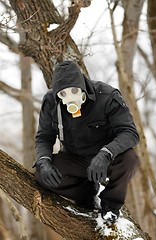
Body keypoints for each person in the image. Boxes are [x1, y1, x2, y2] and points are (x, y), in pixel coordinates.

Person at [34, 60, 140, 225]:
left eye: (74, 91)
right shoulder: (50, 101)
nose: (69, 98)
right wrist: (43, 161)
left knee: (130, 159)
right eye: (63, 94)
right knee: (42, 174)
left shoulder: (108, 96)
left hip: (106, 158)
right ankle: (87, 194)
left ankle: (111, 206)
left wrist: (106, 153)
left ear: (83, 86)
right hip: (74, 158)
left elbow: (130, 133)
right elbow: (44, 137)